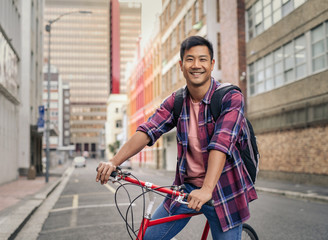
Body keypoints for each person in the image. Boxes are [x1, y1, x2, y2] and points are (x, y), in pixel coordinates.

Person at [96, 36, 257, 240]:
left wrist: (207, 189)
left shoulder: (230, 97)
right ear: (181, 65)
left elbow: (222, 142)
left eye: (202, 59)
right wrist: (113, 162)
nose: (196, 65)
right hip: (186, 189)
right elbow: (148, 130)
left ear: (212, 64)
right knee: (148, 237)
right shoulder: (177, 101)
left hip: (223, 192)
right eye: (190, 59)